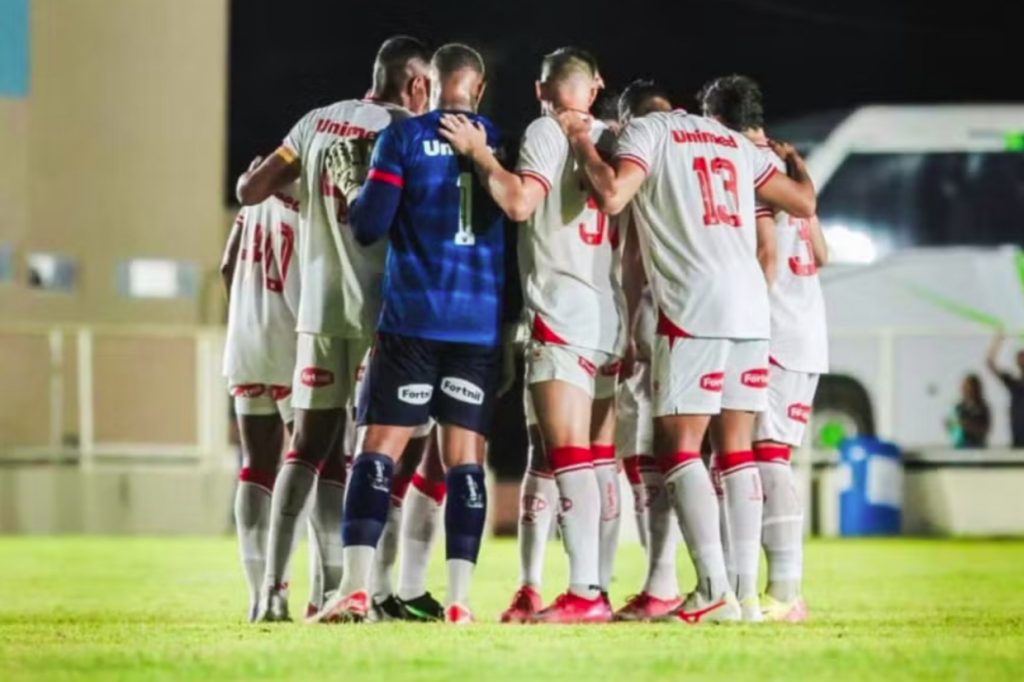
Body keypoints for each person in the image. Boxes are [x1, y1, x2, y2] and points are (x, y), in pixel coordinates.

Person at [555, 82, 815, 624]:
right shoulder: (729, 138)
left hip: (695, 307)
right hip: (753, 308)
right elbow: (802, 203)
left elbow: (613, 195)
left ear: (629, 119)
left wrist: (581, 142)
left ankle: (713, 590)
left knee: (679, 448)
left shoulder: (648, 134)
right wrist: (798, 166)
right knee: (737, 452)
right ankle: (745, 597)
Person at [234, 36, 432, 622]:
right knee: (388, 450)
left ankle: (272, 593)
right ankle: (368, 590)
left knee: (306, 450)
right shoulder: (406, 130)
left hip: (317, 312)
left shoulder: (315, 122)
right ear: (418, 84)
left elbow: (250, 191)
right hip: (382, 313)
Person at [313, 43, 511, 625]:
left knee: (378, 451)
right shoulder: (499, 142)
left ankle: (354, 589)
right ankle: (459, 601)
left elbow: (369, 226)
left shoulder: (401, 137)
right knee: (464, 461)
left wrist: (355, 190)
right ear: (477, 89)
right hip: (477, 323)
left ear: (428, 84)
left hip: (412, 319)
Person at [441, 47, 623, 624]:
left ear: (541, 90)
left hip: (560, 309)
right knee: (564, 455)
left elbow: (520, 202)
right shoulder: (612, 138)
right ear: (595, 86)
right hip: (606, 313)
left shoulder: (547, 129)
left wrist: (479, 155)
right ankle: (539, 587)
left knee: (566, 453)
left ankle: (586, 591)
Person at [701, 74, 828, 622]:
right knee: (766, 456)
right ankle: (768, 585)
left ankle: (783, 590)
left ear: (716, 120)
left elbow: (767, 255)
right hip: (807, 327)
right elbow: (820, 252)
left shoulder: (745, 165)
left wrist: (748, 315)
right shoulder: (784, 163)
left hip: (773, 327)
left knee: (759, 458)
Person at [610, 80, 685, 622]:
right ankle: (730, 584)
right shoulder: (698, 154)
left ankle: (663, 582)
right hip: (717, 317)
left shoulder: (641, 158)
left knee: (649, 455)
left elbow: (634, 252)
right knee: (713, 455)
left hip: (660, 318)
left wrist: (629, 326)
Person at [220, 187, 307, 621]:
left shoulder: (254, 200)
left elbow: (226, 266)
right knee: (310, 461)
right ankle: (288, 586)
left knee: (255, 465)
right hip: (291, 342)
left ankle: (257, 593)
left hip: (246, 339)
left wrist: (243, 313)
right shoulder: (307, 200)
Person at [986, 331, 1024, 447]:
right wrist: (997, 341)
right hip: (1017, 432)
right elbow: (990, 364)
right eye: (1020, 358)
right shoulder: (1013, 382)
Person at [947, 374, 990, 448]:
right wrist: (951, 425)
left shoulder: (983, 407)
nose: (968, 390)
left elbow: (984, 429)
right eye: (965, 387)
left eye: (970, 387)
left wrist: (966, 424)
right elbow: (955, 431)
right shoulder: (959, 407)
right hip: (961, 446)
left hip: (978, 446)